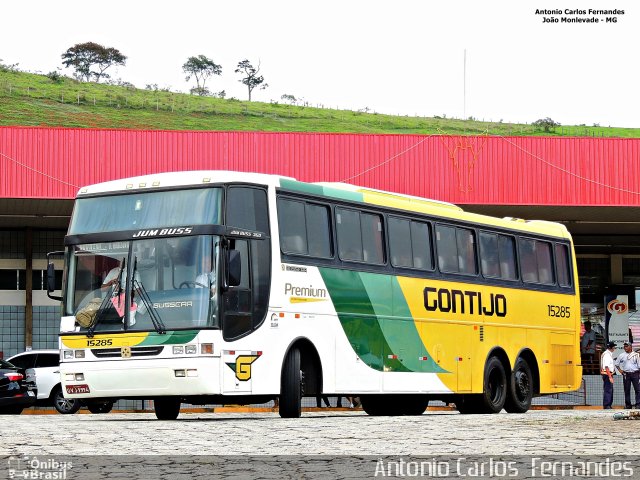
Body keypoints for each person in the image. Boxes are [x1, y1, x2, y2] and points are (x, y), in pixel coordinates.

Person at [615, 341, 640, 409]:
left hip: (635, 373)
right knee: (626, 390)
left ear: (630, 347)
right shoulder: (621, 355)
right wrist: (620, 371)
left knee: (638, 390)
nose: (625, 347)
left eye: (626, 346)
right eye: (624, 346)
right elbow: (616, 364)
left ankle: (638, 404)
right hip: (626, 374)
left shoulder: (636, 355)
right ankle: (628, 405)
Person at [600, 341, 617, 409]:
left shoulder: (607, 353)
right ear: (611, 347)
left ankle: (608, 404)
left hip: (607, 374)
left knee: (609, 389)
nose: (614, 348)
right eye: (614, 347)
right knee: (608, 389)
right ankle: (607, 405)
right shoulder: (607, 355)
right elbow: (606, 366)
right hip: (607, 374)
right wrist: (610, 377)